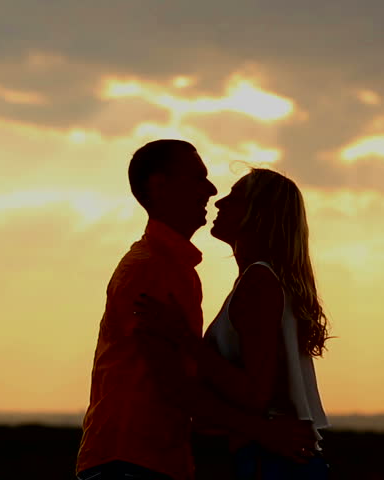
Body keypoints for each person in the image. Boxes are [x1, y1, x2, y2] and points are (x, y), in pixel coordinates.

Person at [75, 141, 316, 480]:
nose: (213, 191)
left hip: (148, 460)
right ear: (161, 186)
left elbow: (226, 385)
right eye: (198, 177)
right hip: (132, 460)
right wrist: (264, 431)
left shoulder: (182, 269)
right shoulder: (152, 269)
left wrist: (188, 342)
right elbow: (172, 384)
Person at [135, 168, 331, 479]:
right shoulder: (267, 281)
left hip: (271, 460)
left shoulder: (259, 282)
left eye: (235, 197)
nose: (219, 202)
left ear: (258, 214)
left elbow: (255, 394)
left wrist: (184, 338)